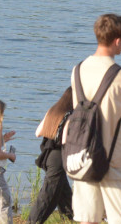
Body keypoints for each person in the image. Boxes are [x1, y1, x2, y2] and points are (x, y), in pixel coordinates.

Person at [70, 13, 121, 224]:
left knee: (88, 219)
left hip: (82, 154)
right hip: (115, 158)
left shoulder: (77, 70)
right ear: (118, 40)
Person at [27, 88, 74, 224]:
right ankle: (32, 221)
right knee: (48, 195)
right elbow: (65, 140)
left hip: (47, 156)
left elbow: (38, 132)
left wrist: (53, 131)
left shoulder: (52, 111)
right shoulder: (71, 115)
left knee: (62, 191)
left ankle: (72, 217)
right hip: (59, 157)